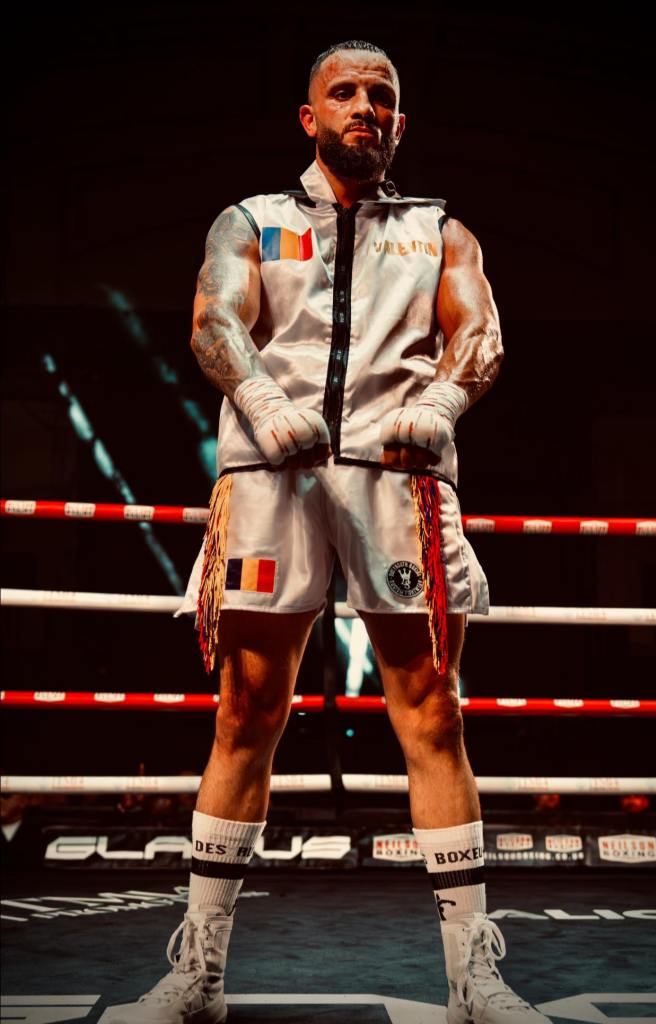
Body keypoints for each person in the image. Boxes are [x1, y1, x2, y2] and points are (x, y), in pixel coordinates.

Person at [112, 39, 549, 1024]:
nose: (364, 107)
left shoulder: (440, 230)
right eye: (343, 93)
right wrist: (263, 400)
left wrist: (442, 402)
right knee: (244, 711)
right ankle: (199, 978)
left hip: (401, 474)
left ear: (400, 121)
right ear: (308, 117)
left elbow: (479, 331)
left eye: (380, 96)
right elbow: (215, 321)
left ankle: (473, 981)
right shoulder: (251, 220)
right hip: (273, 472)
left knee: (434, 712)